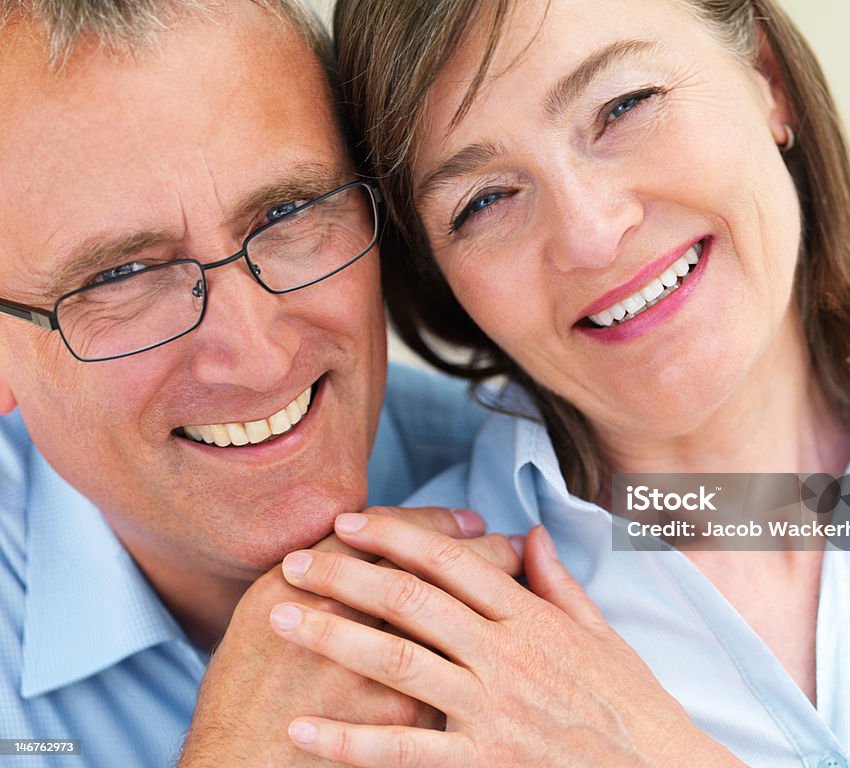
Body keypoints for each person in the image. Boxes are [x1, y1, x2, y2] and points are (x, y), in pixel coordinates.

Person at [261, 0, 850, 765]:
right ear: (437, 274)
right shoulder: (395, 641)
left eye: (623, 106)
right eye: (484, 201)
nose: (591, 236)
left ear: (768, 79)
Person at [0, 1, 524, 766]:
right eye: (124, 275)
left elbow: (765, 506)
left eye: (288, 212)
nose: (260, 357)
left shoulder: (546, 460)